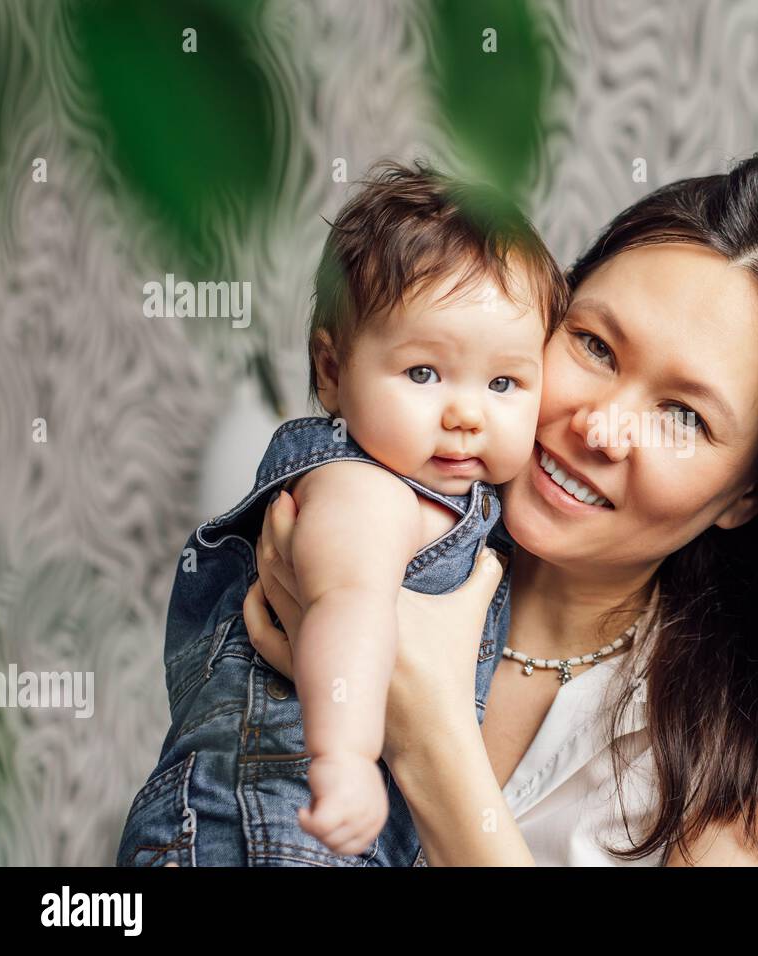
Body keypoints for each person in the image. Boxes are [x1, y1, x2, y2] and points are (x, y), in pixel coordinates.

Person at [244, 152, 758, 866]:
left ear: (749, 494)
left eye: (683, 417)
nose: (599, 427)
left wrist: (429, 741)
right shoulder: (360, 521)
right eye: (594, 345)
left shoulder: (747, 784)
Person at [115, 160, 567, 865]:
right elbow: (346, 605)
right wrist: (345, 757)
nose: (467, 414)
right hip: (265, 823)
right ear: (332, 371)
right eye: (423, 373)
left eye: (505, 382)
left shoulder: (460, 497)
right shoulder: (366, 487)